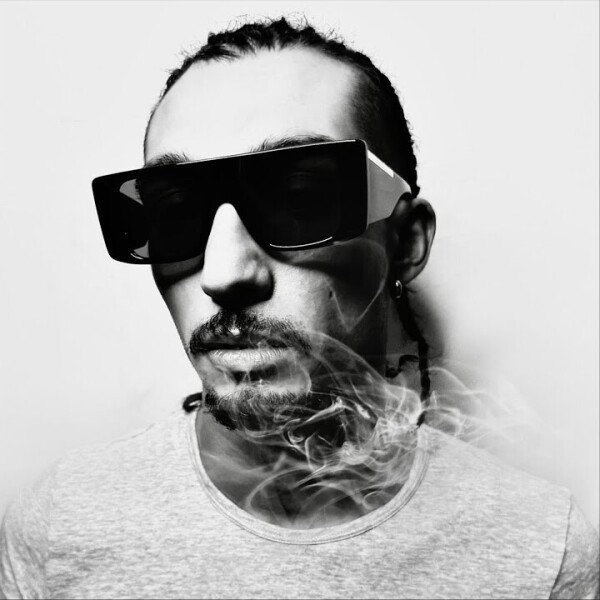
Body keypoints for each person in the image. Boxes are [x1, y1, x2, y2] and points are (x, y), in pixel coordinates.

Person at [0, 17, 598, 600]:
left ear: (405, 242)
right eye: (175, 211)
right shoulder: (63, 524)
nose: (224, 274)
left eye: (300, 198)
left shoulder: (540, 548)